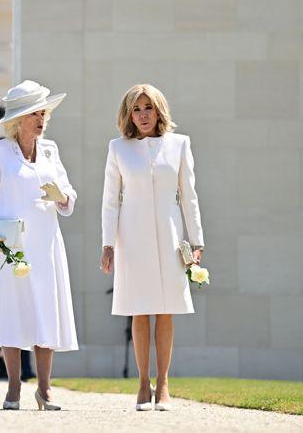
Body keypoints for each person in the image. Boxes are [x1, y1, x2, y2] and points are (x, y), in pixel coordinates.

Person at [0, 80, 77, 411]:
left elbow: (68, 194)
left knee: (46, 311)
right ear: (19, 119)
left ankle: (45, 390)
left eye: (44, 113)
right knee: (13, 314)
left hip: (45, 245)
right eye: (35, 113)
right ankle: (14, 387)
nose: (41, 119)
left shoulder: (51, 150)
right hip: (10, 246)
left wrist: (62, 197)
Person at [100, 84, 205, 412]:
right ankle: (143, 383)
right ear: (128, 114)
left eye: (149, 108)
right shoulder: (118, 148)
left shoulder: (179, 145)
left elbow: (189, 195)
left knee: (165, 309)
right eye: (137, 109)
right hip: (131, 237)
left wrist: (197, 240)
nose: (143, 114)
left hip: (171, 236)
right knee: (139, 309)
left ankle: (163, 385)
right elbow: (109, 201)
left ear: (159, 110)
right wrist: (107, 245)